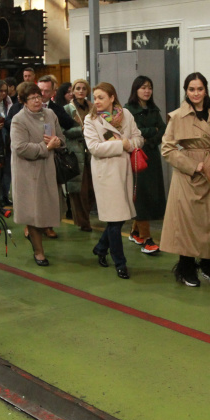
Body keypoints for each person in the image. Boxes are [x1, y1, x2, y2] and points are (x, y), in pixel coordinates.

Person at [160, 72, 210, 288]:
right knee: (188, 223)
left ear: (205, 90)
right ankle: (186, 268)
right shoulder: (178, 116)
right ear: (186, 91)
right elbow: (167, 148)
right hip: (188, 175)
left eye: (200, 89)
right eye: (191, 89)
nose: (196, 93)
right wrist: (191, 164)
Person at [84, 82, 143, 279]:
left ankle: (101, 248)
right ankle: (120, 263)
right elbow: (94, 148)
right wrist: (121, 145)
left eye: (101, 97)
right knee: (115, 220)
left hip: (124, 172)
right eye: (95, 98)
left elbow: (139, 138)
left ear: (112, 98)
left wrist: (129, 144)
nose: (97, 101)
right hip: (106, 175)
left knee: (119, 217)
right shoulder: (91, 120)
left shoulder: (126, 115)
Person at [10, 83, 64, 266]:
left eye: (38, 97)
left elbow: (61, 137)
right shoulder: (18, 120)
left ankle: (41, 236)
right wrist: (46, 147)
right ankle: (39, 252)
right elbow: (20, 147)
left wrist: (58, 142)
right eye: (32, 98)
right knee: (33, 213)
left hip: (48, 170)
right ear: (24, 101)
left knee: (46, 210)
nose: (37, 101)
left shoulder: (50, 114)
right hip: (28, 172)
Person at [124, 76, 166, 254]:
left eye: (149, 87)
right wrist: (151, 131)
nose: (147, 91)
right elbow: (134, 132)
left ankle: (135, 232)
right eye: (143, 87)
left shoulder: (154, 109)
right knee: (141, 197)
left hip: (152, 156)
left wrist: (150, 139)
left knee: (150, 194)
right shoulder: (128, 110)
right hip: (136, 157)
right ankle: (147, 239)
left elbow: (163, 130)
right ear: (136, 90)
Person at [64, 79, 94, 232]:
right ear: (73, 91)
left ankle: (86, 217)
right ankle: (83, 221)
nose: (81, 91)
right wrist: (81, 130)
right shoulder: (67, 109)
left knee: (91, 190)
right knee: (79, 190)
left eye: (83, 88)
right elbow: (64, 131)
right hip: (75, 152)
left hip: (92, 151)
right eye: (78, 88)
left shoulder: (93, 108)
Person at [0, 80, 14, 207]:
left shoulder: (9, 103)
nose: (3, 93)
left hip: (8, 139)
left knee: (7, 169)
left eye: (5, 91)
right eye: (0, 90)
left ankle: (5, 196)